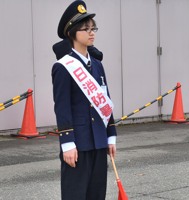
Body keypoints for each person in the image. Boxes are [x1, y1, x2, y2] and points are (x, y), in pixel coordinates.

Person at [51, 1, 117, 199]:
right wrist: (67, 143)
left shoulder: (97, 65)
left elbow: (105, 101)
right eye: (85, 29)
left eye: (93, 28)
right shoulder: (63, 67)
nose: (92, 33)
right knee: (75, 194)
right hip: (77, 144)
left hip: (98, 142)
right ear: (72, 33)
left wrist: (110, 136)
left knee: (97, 194)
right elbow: (61, 107)